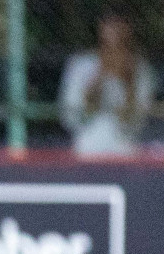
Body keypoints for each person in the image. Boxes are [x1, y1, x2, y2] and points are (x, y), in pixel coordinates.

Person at [59, 12, 155, 157]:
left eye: (120, 23)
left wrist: (129, 81)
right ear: (100, 27)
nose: (114, 30)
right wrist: (100, 77)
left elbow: (137, 120)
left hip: (125, 149)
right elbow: (71, 116)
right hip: (87, 147)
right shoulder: (80, 64)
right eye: (109, 23)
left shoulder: (140, 68)